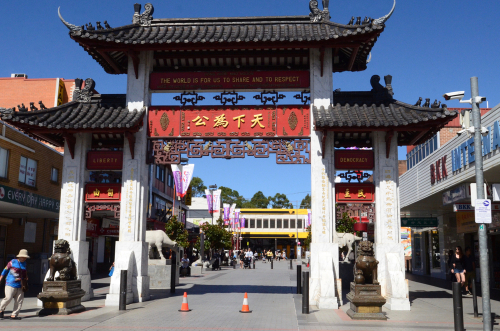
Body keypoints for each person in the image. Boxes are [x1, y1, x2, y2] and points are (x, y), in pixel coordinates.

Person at [0, 249, 29, 320]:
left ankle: (14, 315)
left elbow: (24, 272)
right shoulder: (12, 262)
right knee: (8, 298)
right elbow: (5, 270)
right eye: (23, 257)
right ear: (19, 256)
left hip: (21, 284)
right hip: (10, 283)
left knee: (19, 300)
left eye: (25, 257)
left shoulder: (25, 263)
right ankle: (1, 309)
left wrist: (26, 278)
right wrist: (1, 277)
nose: (24, 258)